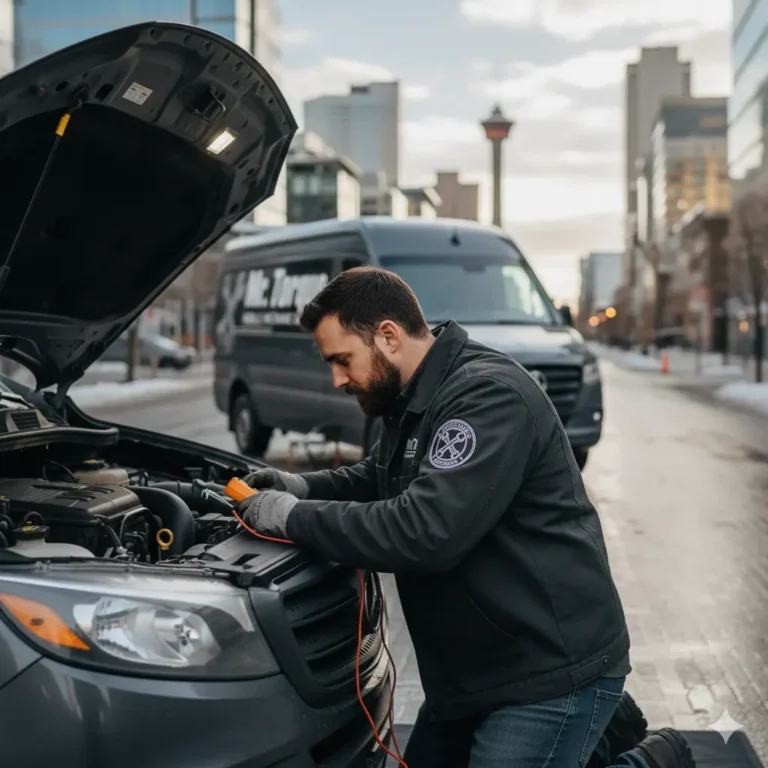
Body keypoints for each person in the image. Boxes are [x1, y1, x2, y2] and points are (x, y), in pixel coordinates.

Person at [237, 266, 695, 768]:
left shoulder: (487, 396)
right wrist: (302, 486)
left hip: (547, 670)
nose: (337, 378)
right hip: (477, 671)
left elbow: (424, 532)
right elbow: (381, 475)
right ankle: (593, 743)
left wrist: (293, 517)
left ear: (387, 335)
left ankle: (653, 760)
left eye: (342, 360)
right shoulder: (413, 395)